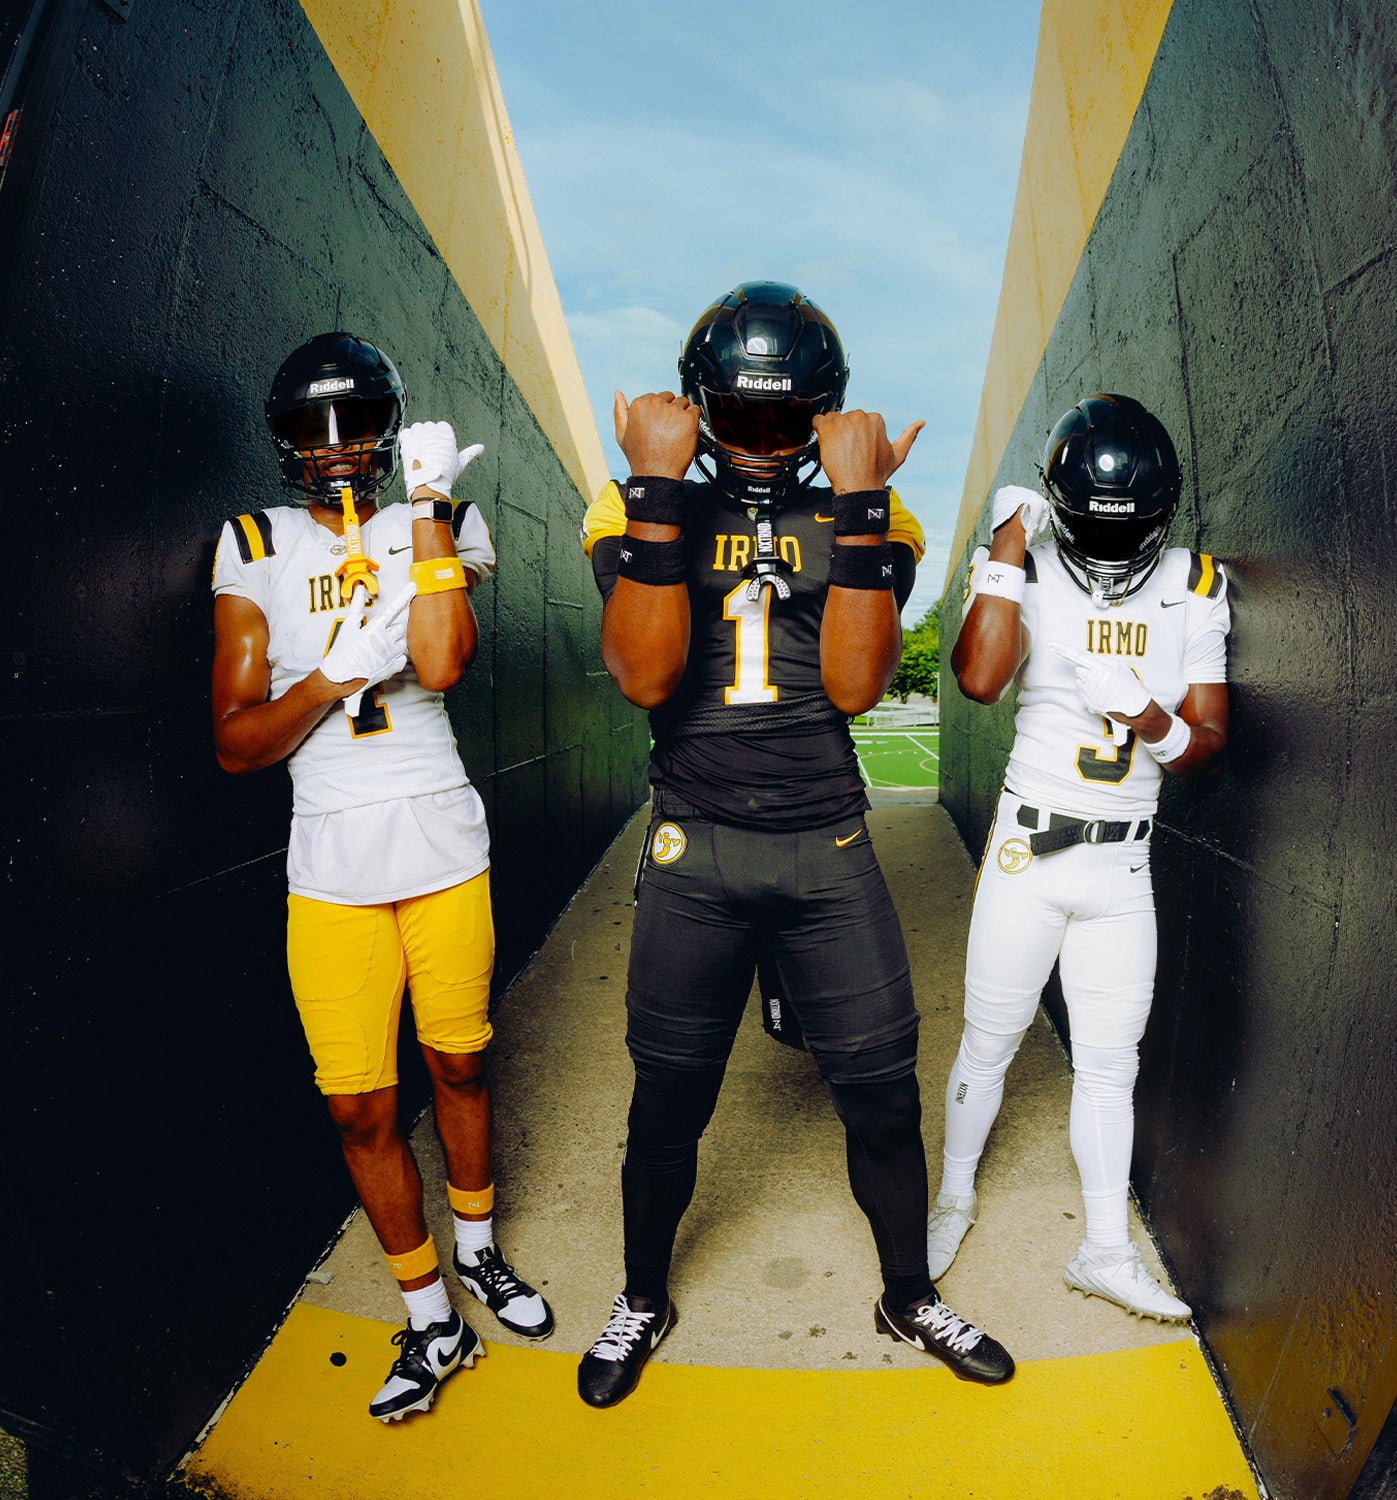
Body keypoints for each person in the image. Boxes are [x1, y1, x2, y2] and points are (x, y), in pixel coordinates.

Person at [576, 281, 1015, 1408]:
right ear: (698, 408)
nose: (767, 449)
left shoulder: (875, 513)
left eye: (788, 425)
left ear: (826, 417)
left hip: (826, 848)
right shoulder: (628, 503)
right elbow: (644, 677)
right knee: (668, 1098)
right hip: (698, 852)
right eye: (743, 421)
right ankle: (641, 1295)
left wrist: (863, 506)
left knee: (879, 1092)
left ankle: (906, 1293)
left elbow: (860, 686)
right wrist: (660, 491)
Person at [210, 332, 552, 1423]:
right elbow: (237, 743)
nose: (333, 447)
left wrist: (435, 509)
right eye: (312, 429)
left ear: (388, 429)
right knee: (361, 1107)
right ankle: (430, 1319)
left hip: (444, 844)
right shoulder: (252, 541)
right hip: (332, 862)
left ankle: (482, 1247)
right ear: (282, 442)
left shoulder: (431, 517)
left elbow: (444, 660)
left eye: (354, 422)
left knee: (458, 1066)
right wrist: (331, 674)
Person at [926, 393, 1230, 1322]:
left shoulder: (1196, 582)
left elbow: (1206, 747)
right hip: (1031, 848)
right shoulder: (1032, 559)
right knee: (991, 1038)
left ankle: (1103, 1251)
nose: (1113, 545)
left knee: (1111, 1064)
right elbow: (978, 681)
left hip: (1124, 865)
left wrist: (1145, 714)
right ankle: (953, 1200)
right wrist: (1008, 552)